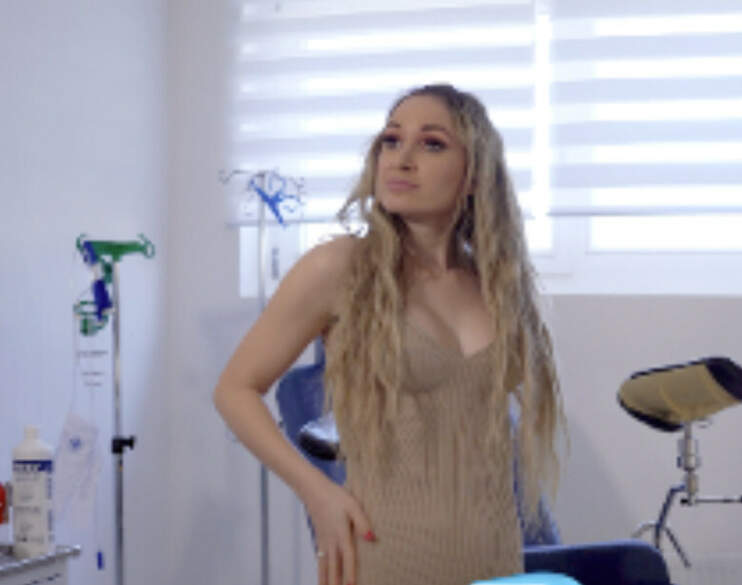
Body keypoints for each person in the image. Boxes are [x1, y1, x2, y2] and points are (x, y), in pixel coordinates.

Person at [214, 83, 565, 585]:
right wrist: (317, 493)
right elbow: (234, 390)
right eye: (392, 140)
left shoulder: (496, 283)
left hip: (495, 558)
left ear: (473, 176)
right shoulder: (340, 267)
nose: (401, 159)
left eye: (432, 144)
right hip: (385, 558)